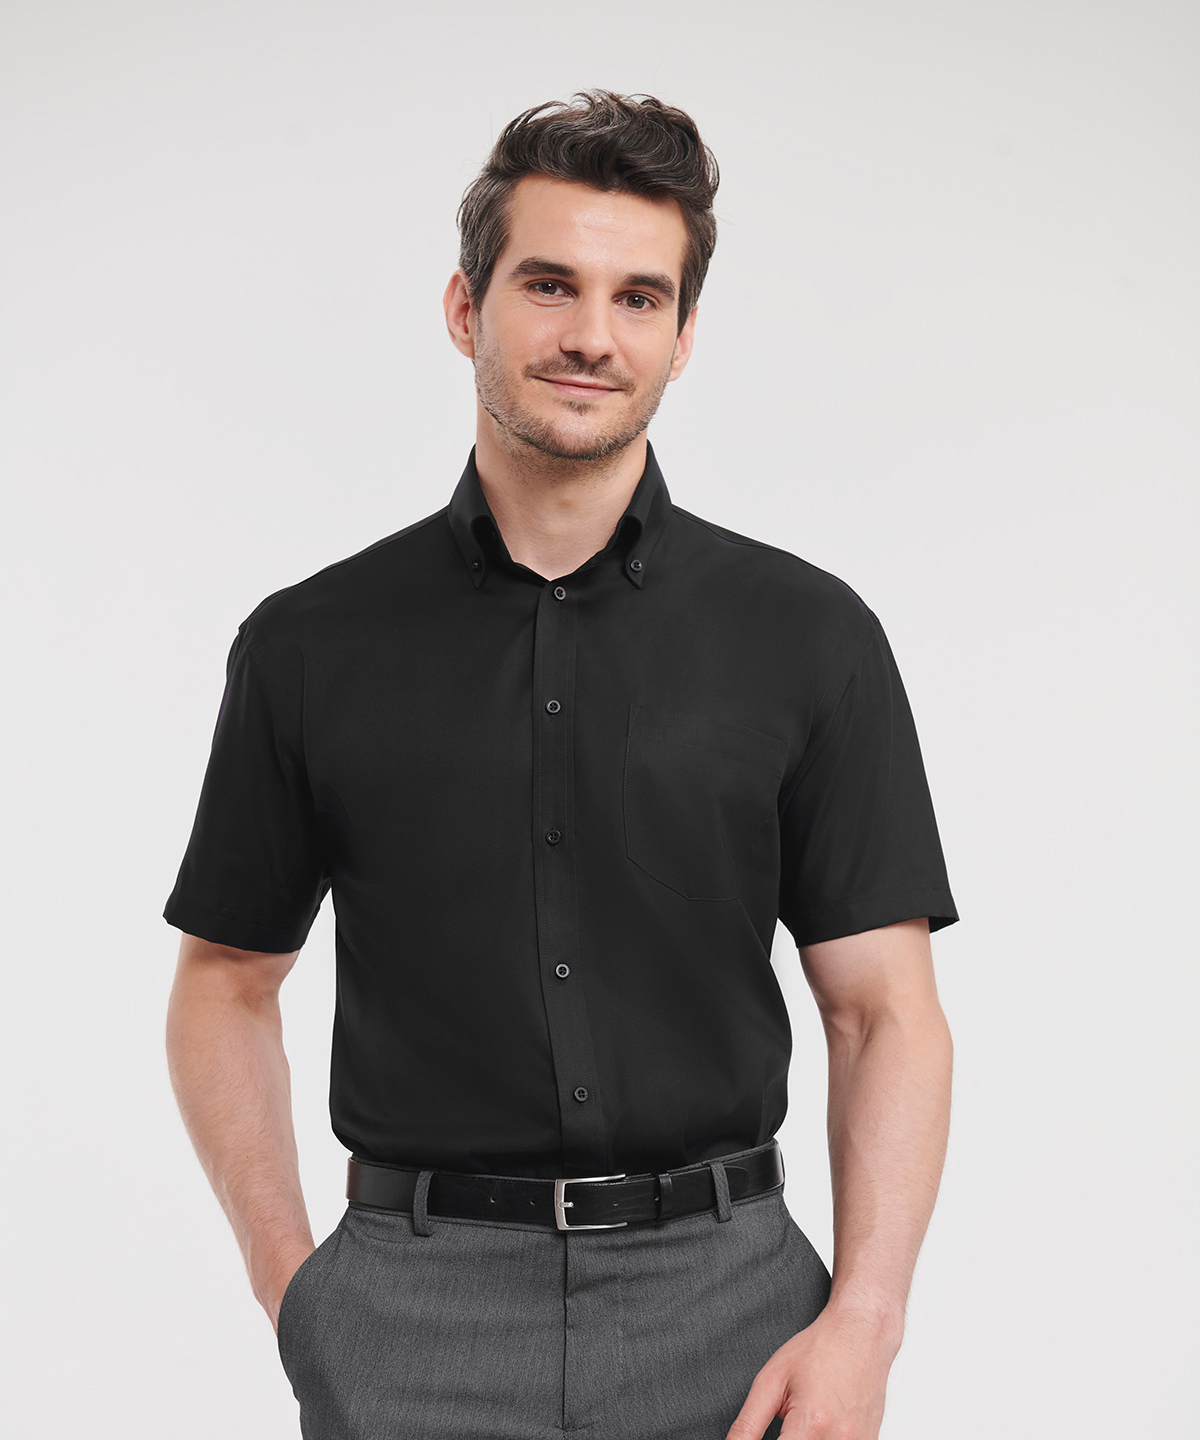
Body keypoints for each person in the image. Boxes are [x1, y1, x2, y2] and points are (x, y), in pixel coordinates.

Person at [164, 89, 958, 1440]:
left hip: (735, 1314)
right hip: (409, 1318)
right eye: (550, 285)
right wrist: (300, 1293)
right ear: (465, 308)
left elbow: (884, 1014)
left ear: (683, 336)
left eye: (639, 298)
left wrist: (866, 1324)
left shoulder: (809, 636)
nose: (594, 335)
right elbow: (224, 985)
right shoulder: (310, 645)